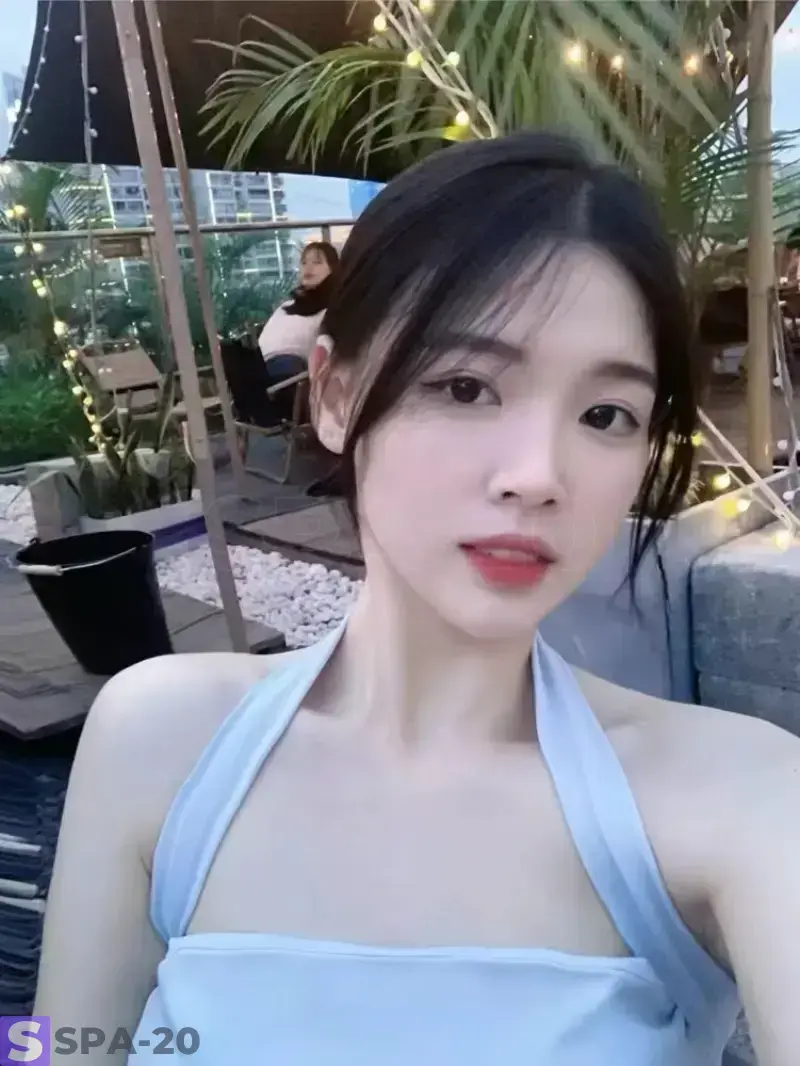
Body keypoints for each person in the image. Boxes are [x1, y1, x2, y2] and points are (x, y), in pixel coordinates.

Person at [34, 133, 800, 1065]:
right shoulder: (157, 739)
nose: (537, 474)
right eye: (466, 386)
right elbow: (52, 1045)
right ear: (334, 396)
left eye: (606, 414)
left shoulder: (738, 796)